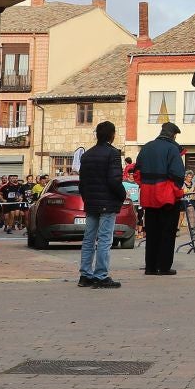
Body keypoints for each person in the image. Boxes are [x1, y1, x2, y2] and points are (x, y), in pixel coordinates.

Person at [75, 120, 126, 289]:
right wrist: (122, 195)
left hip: (91, 202)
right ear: (112, 135)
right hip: (108, 202)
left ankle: (85, 274)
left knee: (89, 238)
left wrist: (87, 198)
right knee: (104, 239)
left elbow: (82, 182)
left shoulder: (87, 154)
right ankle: (101, 275)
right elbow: (114, 180)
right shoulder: (113, 153)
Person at [135, 120, 187, 276]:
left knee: (151, 232)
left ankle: (150, 266)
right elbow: (178, 175)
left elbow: (137, 172)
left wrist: (146, 185)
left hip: (148, 196)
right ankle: (163, 266)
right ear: (173, 135)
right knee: (167, 232)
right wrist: (177, 192)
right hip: (167, 197)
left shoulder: (147, 147)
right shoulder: (172, 149)